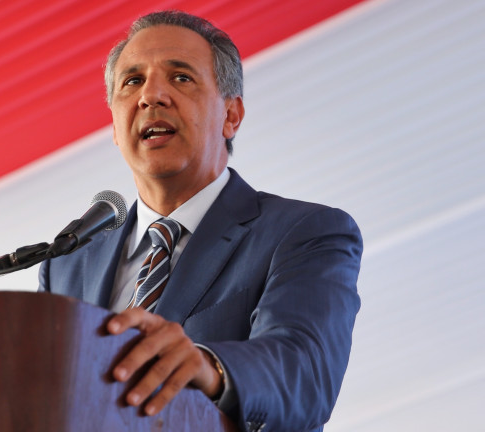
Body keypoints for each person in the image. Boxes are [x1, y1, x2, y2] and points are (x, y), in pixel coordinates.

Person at [39, 10, 361, 432]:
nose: (151, 96)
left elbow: (304, 373)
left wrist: (210, 366)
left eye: (181, 77)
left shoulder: (305, 232)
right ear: (115, 127)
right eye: (132, 81)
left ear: (231, 115)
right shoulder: (66, 263)